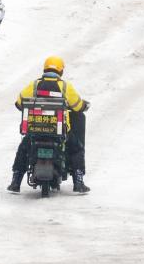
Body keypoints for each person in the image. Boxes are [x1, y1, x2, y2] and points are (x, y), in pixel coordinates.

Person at [8, 56, 91, 194]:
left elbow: (19, 102)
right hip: (59, 130)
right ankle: (78, 182)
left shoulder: (34, 85)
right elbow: (77, 106)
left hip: (35, 131)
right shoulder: (65, 86)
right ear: (60, 71)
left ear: (45, 69)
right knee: (76, 149)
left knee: (23, 149)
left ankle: (16, 181)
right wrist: (84, 105)